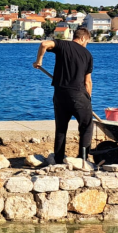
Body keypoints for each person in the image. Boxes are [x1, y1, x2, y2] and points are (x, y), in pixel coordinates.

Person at [34, 28, 93, 164]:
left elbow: (44, 44)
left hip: (60, 93)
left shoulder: (63, 45)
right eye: (87, 42)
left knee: (61, 128)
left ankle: (59, 159)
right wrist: (88, 100)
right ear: (83, 38)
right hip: (78, 94)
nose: (86, 45)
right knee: (86, 126)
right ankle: (83, 159)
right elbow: (88, 82)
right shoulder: (87, 55)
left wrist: (39, 61)